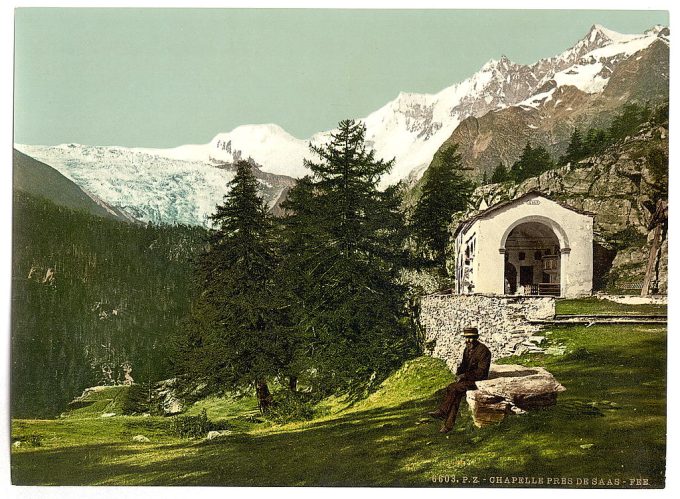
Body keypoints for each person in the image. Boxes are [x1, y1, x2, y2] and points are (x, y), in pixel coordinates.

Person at [429, 327, 491, 433]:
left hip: (479, 381)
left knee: (452, 388)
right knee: (455, 395)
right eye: (466, 338)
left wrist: (464, 376)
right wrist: (459, 373)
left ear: (476, 338)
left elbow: (481, 372)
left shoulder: (483, 351)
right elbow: (463, 365)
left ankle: (443, 412)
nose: (468, 340)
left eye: (471, 338)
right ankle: (448, 426)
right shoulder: (467, 349)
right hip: (469, 379)